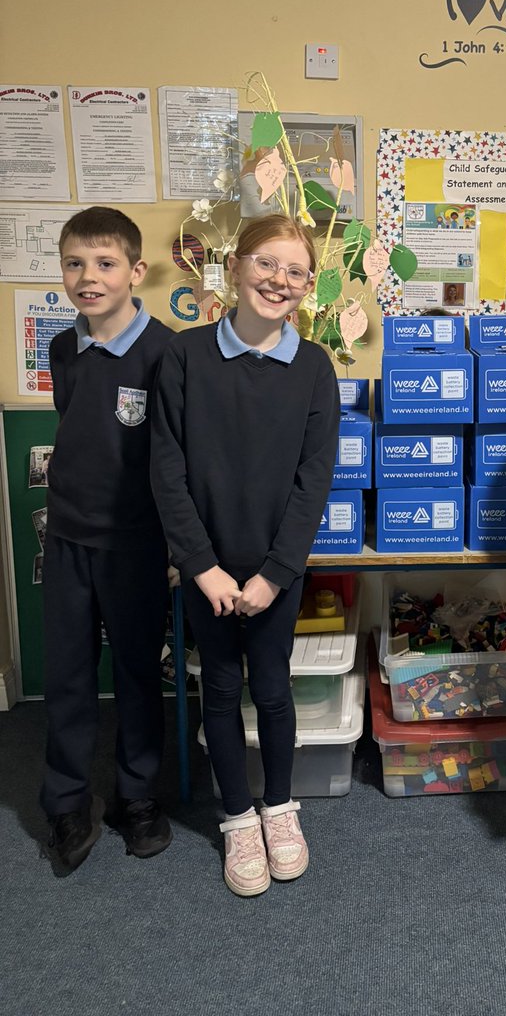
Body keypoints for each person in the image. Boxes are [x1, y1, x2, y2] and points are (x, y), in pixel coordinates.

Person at [151, 214, 339, 896]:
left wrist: (276, 574)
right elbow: (166, 469)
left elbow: (313, 480)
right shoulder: (185, 356)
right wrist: (201, 567)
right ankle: (237, 818)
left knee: (273, 688)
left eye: (295, 271)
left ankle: (280, 810)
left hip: (273, 572)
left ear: (309, 287)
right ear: (234, 267)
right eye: (265, 263)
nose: (278, 280)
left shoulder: (314, 368)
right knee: (221, 687)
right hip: (207, 569)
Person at [42, 207, 175, 872]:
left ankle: (136, 796)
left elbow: (172, 455)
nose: (87, 277)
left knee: (137, 673)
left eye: (104, 263)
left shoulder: (166, 352)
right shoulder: (63, 348)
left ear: (135, 271)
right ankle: (67, 802)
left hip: (136, 544)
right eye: (74, 264)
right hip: (68, 538)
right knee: (67, 675)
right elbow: (75, 425)